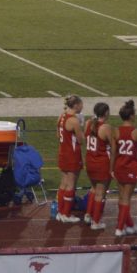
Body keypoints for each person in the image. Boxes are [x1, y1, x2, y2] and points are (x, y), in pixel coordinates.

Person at [112, 100, 137, 237]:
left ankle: (129, 225)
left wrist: (111, 169)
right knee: (126, 198)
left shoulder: (115, 131)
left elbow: (113, 153)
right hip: (131, 167)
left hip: (118, 167)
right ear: (131, 115)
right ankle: (119, 228)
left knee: (121, 197)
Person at [54, 94, 84, 223]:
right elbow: (81, 140)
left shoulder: (61, 116)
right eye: (81, 104)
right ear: (76, 105)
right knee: (71, 185)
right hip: (72, 155)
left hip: (62, 153)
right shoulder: (74, 120)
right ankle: (66, 214)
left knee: (64, 183)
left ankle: (60, 212)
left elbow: (57, 134)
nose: (82, 106)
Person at [83, 102, 113, 231]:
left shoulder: (88, 123)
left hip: (90, 161)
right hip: (101, 163)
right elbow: (113, 146)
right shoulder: (106, 127)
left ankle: (88, 215)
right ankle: (96, 221)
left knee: (93, 189)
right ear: (106, 113)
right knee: (100, 193)